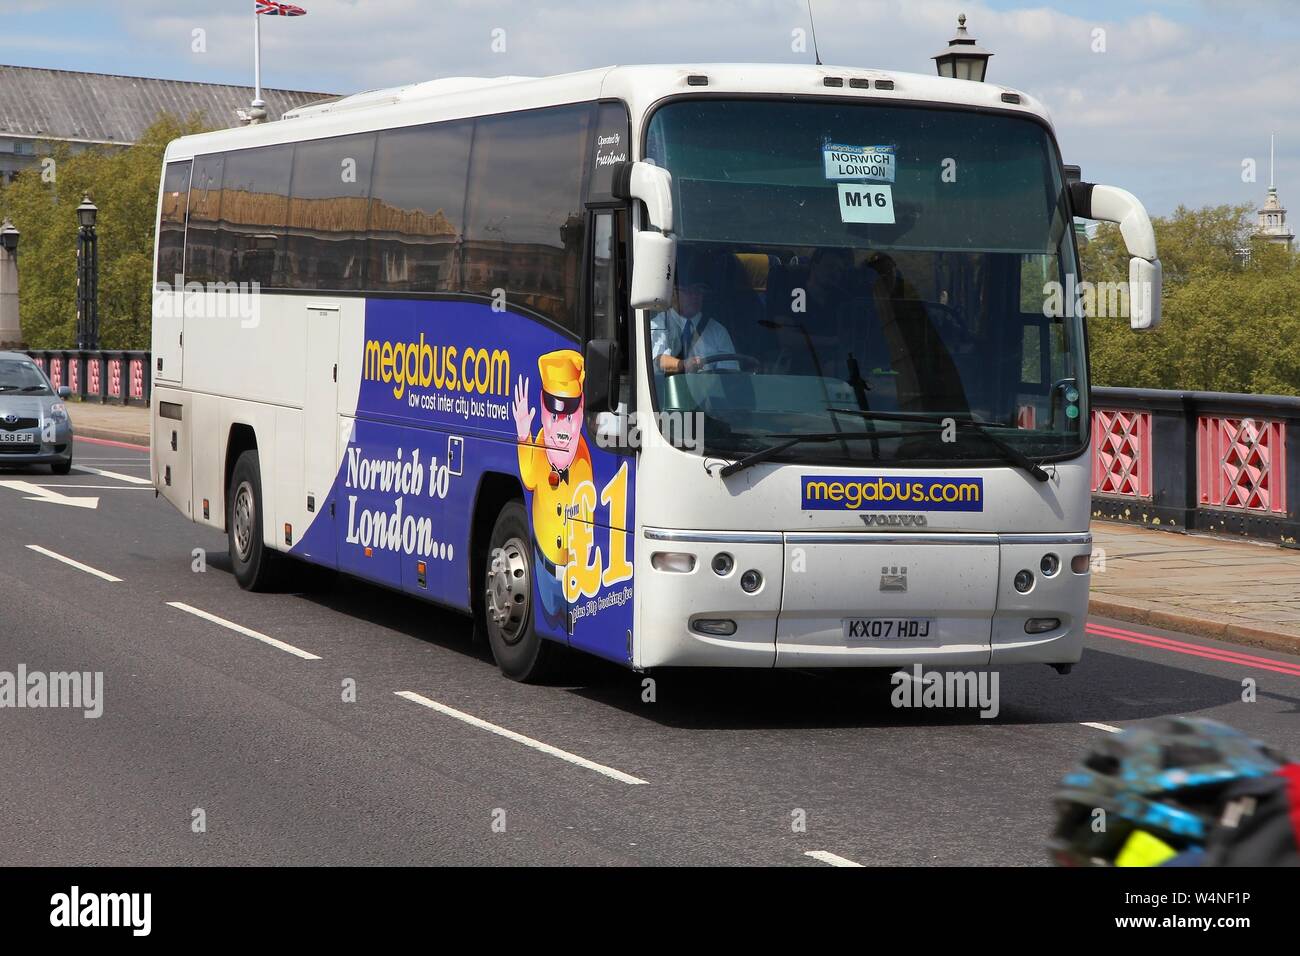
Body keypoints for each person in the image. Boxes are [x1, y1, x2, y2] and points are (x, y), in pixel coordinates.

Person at [650, 263, 738, 375]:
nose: (694, 296)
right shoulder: (659, 324)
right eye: (688, 291)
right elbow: (657, 360)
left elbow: (730, 372)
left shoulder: (718, 331)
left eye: (698, 291)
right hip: (665, 390)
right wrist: (683, 365)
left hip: (710, 390)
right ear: (673, 293)